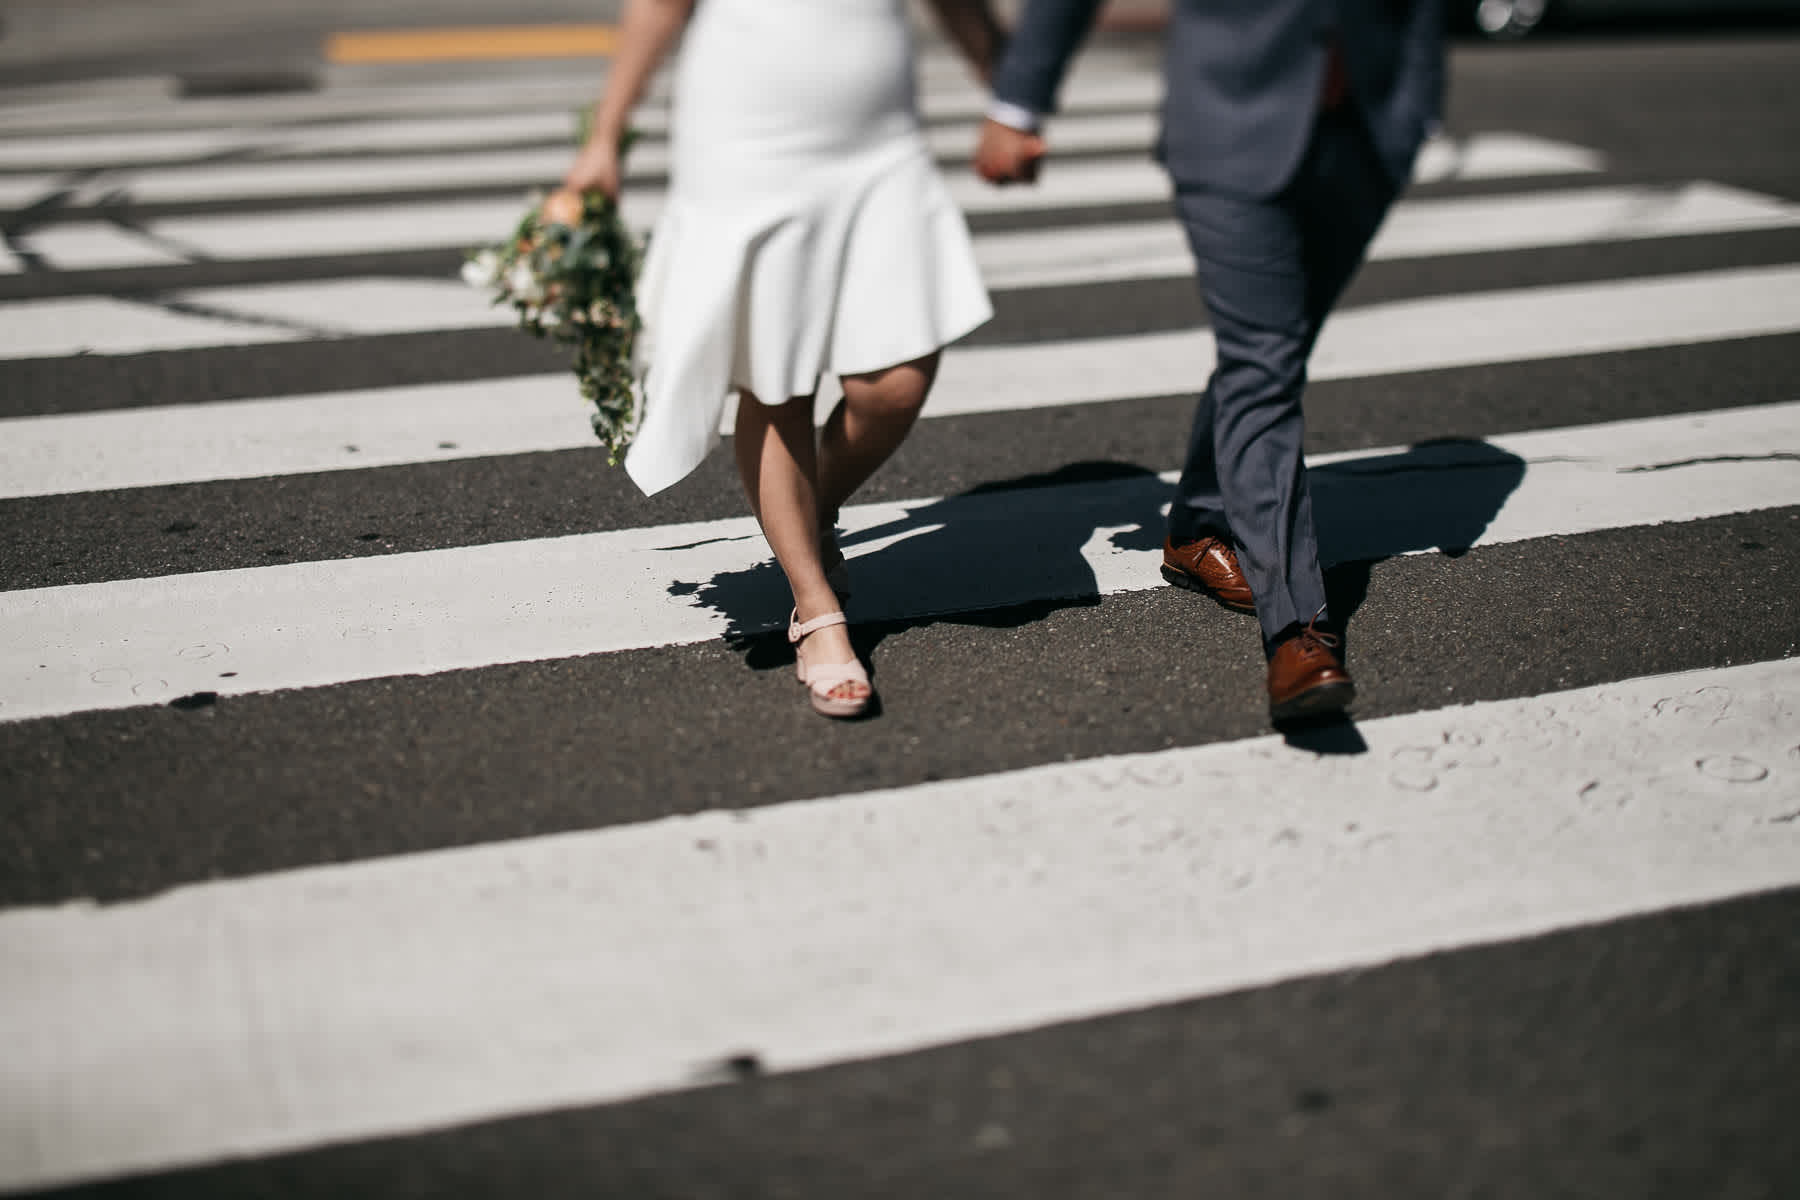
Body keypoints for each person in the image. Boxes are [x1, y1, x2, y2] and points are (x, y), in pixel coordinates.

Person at [974, 0, 1445, 723]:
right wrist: (1019, 101)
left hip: (1365, 135)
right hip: (1230, 125)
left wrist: (1410, 116)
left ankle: (1197, 525)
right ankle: (1297, 631)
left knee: (1272, 352)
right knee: (1265, 365)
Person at [561, 0, 1003, 718]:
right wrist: (605, 135)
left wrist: (1010, 89)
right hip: (748, 139)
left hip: (881, 144)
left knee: (894, 385)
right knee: (774, 377)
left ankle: (808, 508)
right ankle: (814, 604)